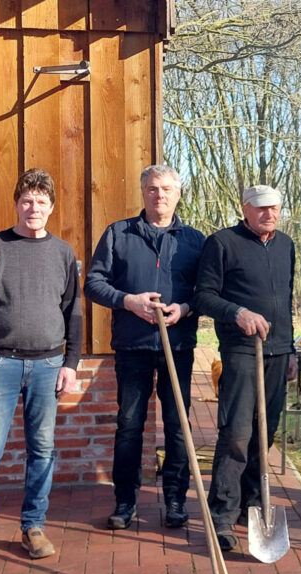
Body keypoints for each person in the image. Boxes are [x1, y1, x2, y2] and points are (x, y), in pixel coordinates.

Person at [0, 168, 82, 567]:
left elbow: (73, 312)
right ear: (16, 204)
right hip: (1, 362)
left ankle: (33, 526)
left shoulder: (62, 253)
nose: (34, 208)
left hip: (48, 364)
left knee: (42, 450)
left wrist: (71, 363)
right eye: (27, 201)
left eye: (41, 202)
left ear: (51, 208)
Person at [84, 165, 206, 530]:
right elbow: (93, 283)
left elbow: (208, 293)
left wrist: (184, 308)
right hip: (132, 345)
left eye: (167, 189)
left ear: (178, 193)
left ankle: (174, 499)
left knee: (177, 424)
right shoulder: (118, 234)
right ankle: (125, 500)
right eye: (153, 189)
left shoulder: (195, 240)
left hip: (178, 344)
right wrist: (128, 301)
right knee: (129, 424)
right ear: (143, 193)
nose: (160, 195)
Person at [193, 185, 298, 552]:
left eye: (275, 209)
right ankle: (222, 514)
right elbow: (203, 295)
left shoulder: (286, 245)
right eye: (262, 209)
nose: (269, 214)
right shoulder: (222, 243)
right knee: (236, 433)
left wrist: (291, 349)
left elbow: (284, 299)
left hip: (278, 351)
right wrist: (237, 313)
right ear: (246, 209)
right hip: (240, 350)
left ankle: (252, 505)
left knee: (263, 433)